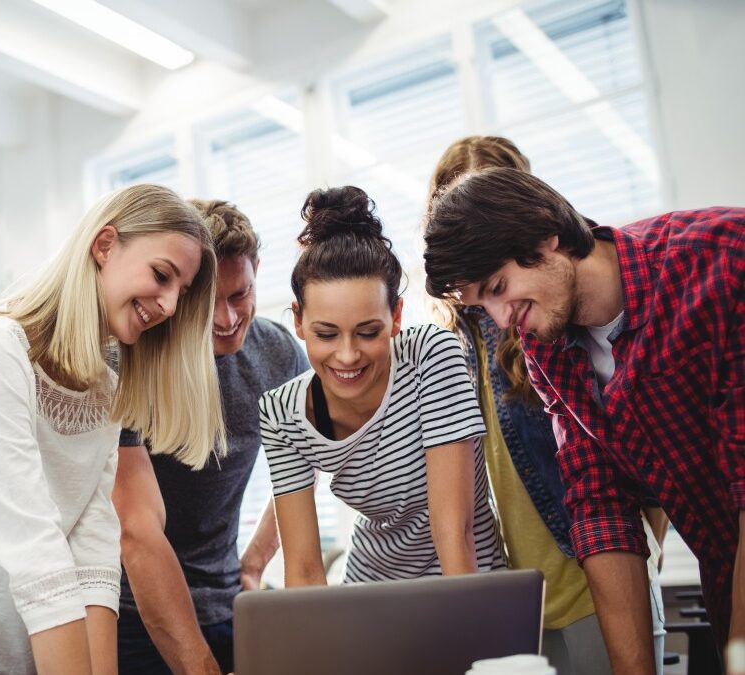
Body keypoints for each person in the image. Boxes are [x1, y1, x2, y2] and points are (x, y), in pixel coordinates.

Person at [0, 184, 227, 675]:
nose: (167, 305)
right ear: (104, 246)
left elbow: (93, 552)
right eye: (161, 275)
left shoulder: (106, 389)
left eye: (180, 292)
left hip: (23, 655)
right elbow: (34, 550)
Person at [423, 167, 743, 675]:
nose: (502, 318)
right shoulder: (544, 348)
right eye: (482, 303)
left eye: (499, 287)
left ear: (545, 234)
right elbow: (600, 507)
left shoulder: (722, 260)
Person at [259, 186, 505, 590]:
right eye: (326, 334)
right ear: (299, 322)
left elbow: (454, 533)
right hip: (370, 590)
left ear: (395, 316)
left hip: (466, 583)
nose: (347, 355)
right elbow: (303, 570)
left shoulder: (431, 355)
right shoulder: (282, 414)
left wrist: (468, 632)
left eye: (368, 332)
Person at [114, 199, 309, 675]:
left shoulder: (279, 354)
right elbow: (134, 531)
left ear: (258, 271)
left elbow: (308, 461)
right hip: (133, 613)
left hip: (228, 606)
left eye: (239, 295)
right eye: (209, 303)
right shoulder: (135, 362)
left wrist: (256, 561)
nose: (225, 319)